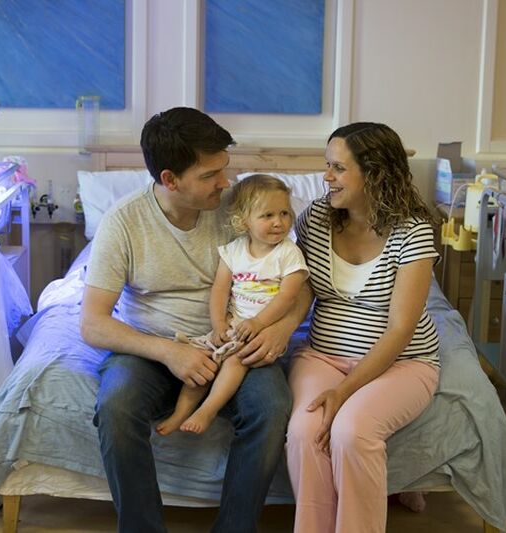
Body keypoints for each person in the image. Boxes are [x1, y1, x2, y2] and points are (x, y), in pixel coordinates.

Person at [80, 108, 303, 533]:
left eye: (225, 169)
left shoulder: (239, 209)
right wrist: (170, 352)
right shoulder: (123, 223)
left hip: (233, 344)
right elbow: (92, 324)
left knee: (272, 407)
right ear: (170, 179)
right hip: (150, 347)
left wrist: (283, 326)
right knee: (116, 406)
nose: (226, 182)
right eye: (210, 175)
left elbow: (294, 274)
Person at [286, 122, 442, 533]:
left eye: (338, 168)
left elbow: (400, 329)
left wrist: (344, 391)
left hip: (402, 362)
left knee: (352, 432)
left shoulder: (413, 231)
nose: (326, 177)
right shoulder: (316, 217)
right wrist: (273, 330)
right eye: (327, 166)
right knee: (305, 429)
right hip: (322, 353)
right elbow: (302, 290)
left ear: (374, 174)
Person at [156, 174, 308, 436]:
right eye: (267, 215)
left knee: (234, 361)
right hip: (233, 325)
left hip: (262, 330)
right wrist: (218, 325)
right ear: (243, 221)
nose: (278, 222)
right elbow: (219, 291)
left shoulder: (288, 253)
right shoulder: (234, 251)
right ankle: (181, 413)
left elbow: (288, 297)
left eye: (284, 213)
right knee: (204, 361)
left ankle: (208, 410)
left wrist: (258, 323)